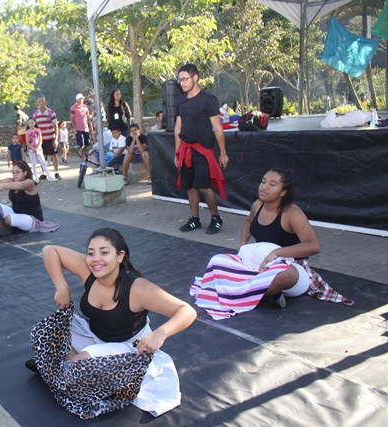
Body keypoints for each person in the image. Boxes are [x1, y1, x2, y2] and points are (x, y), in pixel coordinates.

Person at [26, 228, 196, 418]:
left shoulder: (138, 288)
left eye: (104, 252)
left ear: (120, 256)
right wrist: (62, 287)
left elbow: (186, 311)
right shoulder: (88, 268)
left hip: (127, 348)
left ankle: (56, 368)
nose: (95, 259)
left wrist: (160, 333)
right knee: (48, 330)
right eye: (91, 253)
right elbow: (50, 250)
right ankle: (59, 368)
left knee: (77, 367)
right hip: (95, 336)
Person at [190, 168, 353, 319]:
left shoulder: (292, 212)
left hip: (290, 268)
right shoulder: (257, 205)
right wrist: (243, 247)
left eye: (272, 184)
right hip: (257, 265)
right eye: (263, 181)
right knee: (218, 260)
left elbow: (313, 246)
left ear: (283, 192)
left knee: (284, 274)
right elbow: (248, 223)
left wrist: (277, 253)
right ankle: (261, 293)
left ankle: (247, 293)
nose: (264, 187)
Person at [174, 63, 228, 235]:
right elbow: (178, 128)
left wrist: (223, 153)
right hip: (185, 150)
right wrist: (177, 153)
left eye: (185, 79)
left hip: (203, 151)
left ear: (195, 77)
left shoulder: (208, 99)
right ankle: (195, 219)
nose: (182, 83)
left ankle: (216, 217)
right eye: (180, 80)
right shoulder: (180, 101)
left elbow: (217, 128)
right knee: (190, 186)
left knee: (204, 186)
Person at [0, 161, 59, 236]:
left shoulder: (30, 182)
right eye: (13, 172)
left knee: (8, 219)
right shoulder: (11, 180)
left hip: (31, 219)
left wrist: (4, 186)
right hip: (16, 212)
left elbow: (21, 185)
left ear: (25, 173)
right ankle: (2, 226)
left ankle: (4, 225)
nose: (15, 175)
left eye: (17, 172)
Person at [33, 95, 61, 180]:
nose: (41, 103)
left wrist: (56, 139)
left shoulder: (50, 112)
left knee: (53, 155)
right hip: (40, 139)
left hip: (50, 137)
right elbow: (34, 127)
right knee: (42, 156)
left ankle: (56, 172)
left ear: (45, 102)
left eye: (42, 101)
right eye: (39, 101)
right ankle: (44, 172)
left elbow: (55, 125)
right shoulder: (36, 114)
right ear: (38, 103)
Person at [70, 93, 93, 161]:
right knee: (81, 144)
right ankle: (83, 157)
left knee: (87, 143)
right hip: (78, 128)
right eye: (81, 99)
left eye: (83, 99)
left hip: (85, 128)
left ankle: (85, 155)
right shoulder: (73, 108)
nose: (83, 100)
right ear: (78, 100)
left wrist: (90, 125)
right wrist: (74, 127)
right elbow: (72, 118)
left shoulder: (85, 107)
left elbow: (88, 116)